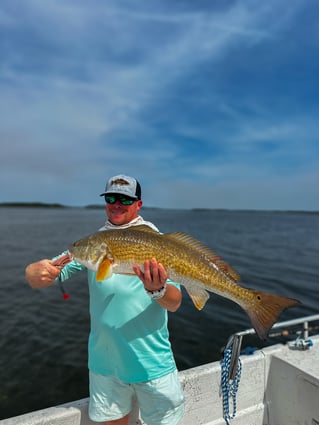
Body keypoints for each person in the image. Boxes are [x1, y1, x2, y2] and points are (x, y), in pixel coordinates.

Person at [25, 174, 185, 425]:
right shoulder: (95, 244)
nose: (117, 203)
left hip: (152, 363)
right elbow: (51, 273)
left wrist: (159, 291)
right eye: (111, 197)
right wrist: (34, 273)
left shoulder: (158, 243)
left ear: (138, 204)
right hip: (104, 364)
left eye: (125, 199)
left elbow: (175, 302)